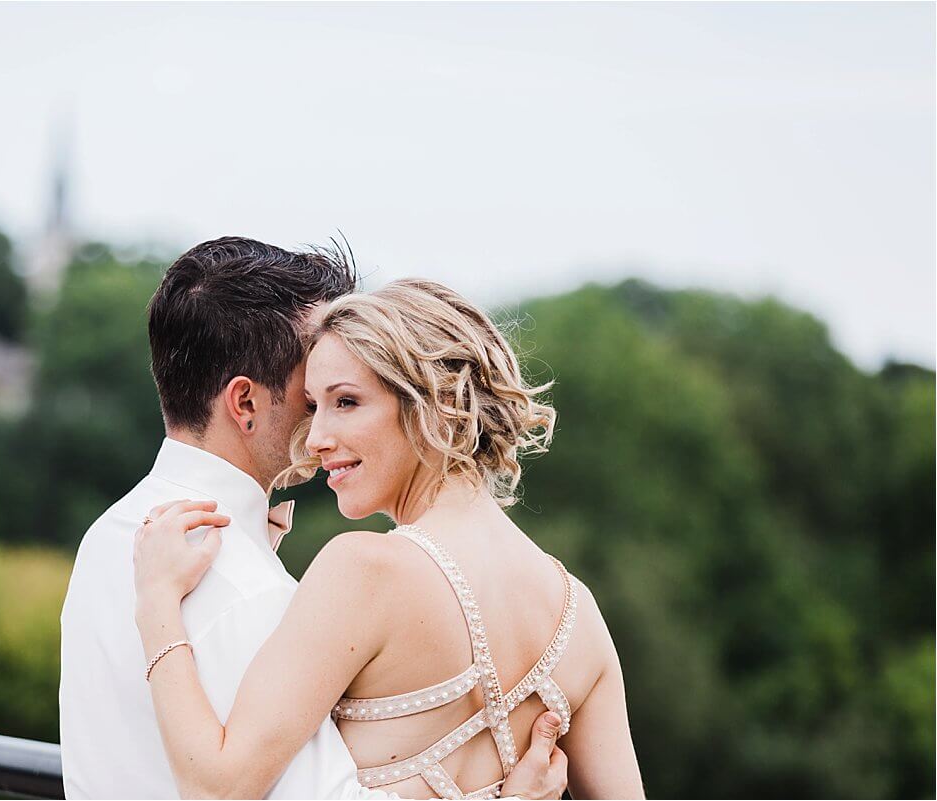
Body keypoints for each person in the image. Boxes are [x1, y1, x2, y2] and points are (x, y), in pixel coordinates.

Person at [59, 238, 569, 799]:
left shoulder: (111, 534)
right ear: (246, 403)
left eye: (344, 393)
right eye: (313, 391)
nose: (324, 424)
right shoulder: (247, 590)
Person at [133, 278, 646, 799]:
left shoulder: (364, 569)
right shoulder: (579, 615)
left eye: (347, 402)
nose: (315, 439)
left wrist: (156, 607)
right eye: (313, 405)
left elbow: (215, 789)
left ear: (437, 403)